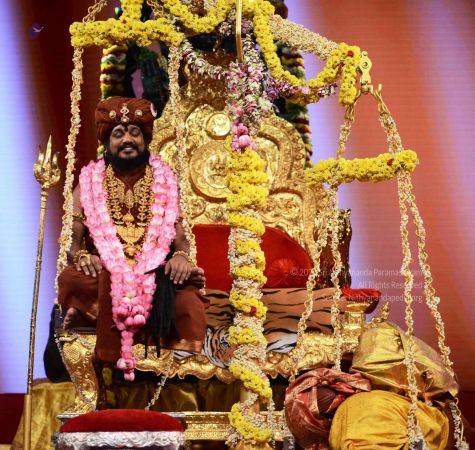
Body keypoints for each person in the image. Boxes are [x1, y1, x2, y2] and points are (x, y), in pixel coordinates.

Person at [58, 96, 208, 381]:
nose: (127, 139)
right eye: (118, 133)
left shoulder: (166, 181)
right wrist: (82, 256)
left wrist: (181, 257)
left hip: (155, 275)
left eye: (135, 132)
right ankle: (98, 314)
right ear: (107, 142)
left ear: (145, 139)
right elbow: (70, 241)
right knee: (70, 280)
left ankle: (91, 315)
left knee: (189, 302)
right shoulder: (87, 183)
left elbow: (182, 238)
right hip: (104, 273)